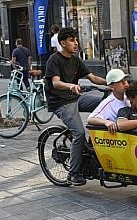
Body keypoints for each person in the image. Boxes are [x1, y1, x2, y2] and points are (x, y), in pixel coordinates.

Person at [44, 27, 107, 186]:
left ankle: (95, 147)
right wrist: (70, 86)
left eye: (76, 40)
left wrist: (111, 83)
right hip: (60, 102)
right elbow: (56, 83)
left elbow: (92, 78)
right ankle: (73, 173)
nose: (76, 43)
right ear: (63, 43)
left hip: (75, 98)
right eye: (72, 40)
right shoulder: (54, 60)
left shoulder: (76, 59)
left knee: (104, 104)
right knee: (79, 133)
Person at [87, 69, 131, 133]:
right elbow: (90, 119)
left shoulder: (128, 98)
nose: (126, 84)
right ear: (111, 87)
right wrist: (106, 122)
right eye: (120, 82)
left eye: (125, 80)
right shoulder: (108, 102)